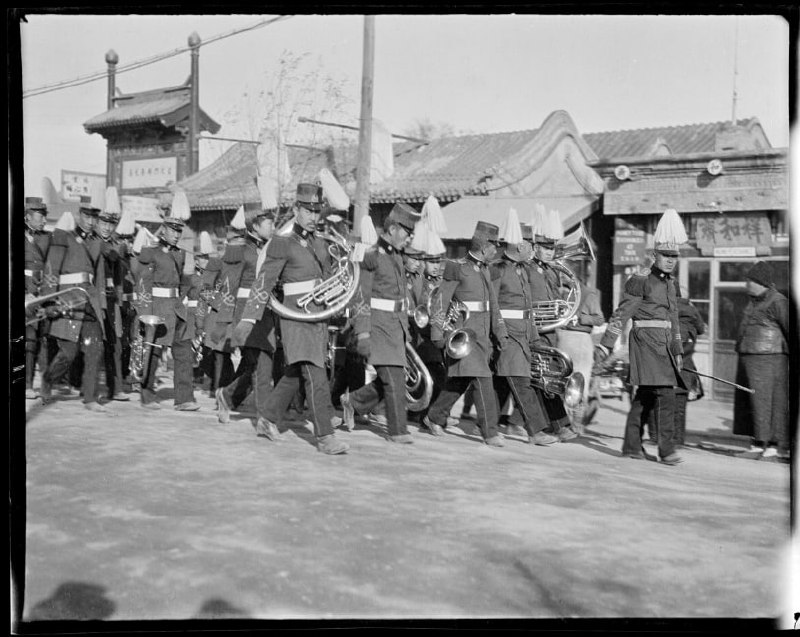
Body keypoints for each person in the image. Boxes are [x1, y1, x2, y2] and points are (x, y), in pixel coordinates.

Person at [235, 183, 349, 455]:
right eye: (308, 210)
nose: (313, 216)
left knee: (296, 374)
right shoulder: (281, 243)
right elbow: (263, 282)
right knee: (316, 376)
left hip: (317, 318)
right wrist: (248, 319)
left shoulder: (319, 243)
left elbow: (332, 276)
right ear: (296, 209)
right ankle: (325, 436)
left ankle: (268, 418)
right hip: (296, 318)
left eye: (316, 211)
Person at [594, 208, 687, 466]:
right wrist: (606, 345)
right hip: (645, 344)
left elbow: (674, 318)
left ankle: (632, 445)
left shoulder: (671, 283)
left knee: (645, 395)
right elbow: (621, 314)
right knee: (666, 395)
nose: (670, 260)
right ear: (654, 254)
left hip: (665, 346)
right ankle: (666, 450)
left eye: (674, 256)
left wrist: (678, 350)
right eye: (666, 255)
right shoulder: (640, 280)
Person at [338, 202, 423, 443]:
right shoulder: (371, 257)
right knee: (393, 377)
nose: (409, 238)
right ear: (394, 229)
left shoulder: (396, 257)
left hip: (395, 327)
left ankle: (352, 401)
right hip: (377, 326)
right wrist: (363, 333)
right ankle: (398, 431)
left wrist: (406, 331)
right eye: (407, 232)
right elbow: (361, 296)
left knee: (390, 378)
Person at [421, 221, 508, 447]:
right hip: (463, 333)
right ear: (483, 244)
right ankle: (490, 432)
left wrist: (501, 332)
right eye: (494, 246)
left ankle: (434, 416)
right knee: (482, 377)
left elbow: (493, 305)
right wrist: (437, 332)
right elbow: (441, 300)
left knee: (461, 379)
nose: (496, 250)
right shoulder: (456, 266)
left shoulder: (486, 270)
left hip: (482, 336)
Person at [130, 191, 199, 411]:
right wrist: (145, 312)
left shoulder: (180, 255)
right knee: (153, 350)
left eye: (179, 231)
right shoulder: (150, 253)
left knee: (184, 351)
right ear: (164, 230)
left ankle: (184, 398)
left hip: (176, 308)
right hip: (156, 308)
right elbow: (144, 284)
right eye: (173, 230)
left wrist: (183, 298)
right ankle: (147, 394)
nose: (177, 235)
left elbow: (183, 281)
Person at [40, 196, 110, 412]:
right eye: (87, 216)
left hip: (89, 302)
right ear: (80, 215)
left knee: (94, 349)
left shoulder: (97, 243)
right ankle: (48, 378)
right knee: (69, 353)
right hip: (67, 301)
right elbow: (52, 271)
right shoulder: (64, 237)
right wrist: (49, 302)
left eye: (94, 217)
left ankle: (90, 398)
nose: (91, 221)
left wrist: (102, 307)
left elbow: (98, 279)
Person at [490, 224, 558, 446]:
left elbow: (527, 308)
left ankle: (487, 425)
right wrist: (499, 333)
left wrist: (534, 337)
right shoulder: (498, 269)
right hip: (508, 334)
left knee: (501, 383)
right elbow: (493, 304)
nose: (533, 249)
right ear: (520, 245)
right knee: (521, 381)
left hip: (523, 335)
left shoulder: (521, 269)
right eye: (530, 244)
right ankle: (535, 430)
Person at [518, 209, 579, 441]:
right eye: (545, 247)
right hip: (534, 329)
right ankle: (556, 424)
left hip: (550, 331)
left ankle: (556, 424)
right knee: (542, 379)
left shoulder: (552, 271)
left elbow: (556, 299)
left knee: (547, 378)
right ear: (535, 248)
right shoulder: (526, 269)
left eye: (552, 248)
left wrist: (564, 310)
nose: (549, 252)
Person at [217, 201, 278, 430]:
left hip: (267, 313)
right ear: (254, 225)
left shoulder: (272, 248)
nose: (273, 226)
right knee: (262, 365)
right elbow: (228, 287)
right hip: (246, 314)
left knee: (256, 365)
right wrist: (225, 322)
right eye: (268, 222)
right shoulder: (240, 249)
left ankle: (227, 395)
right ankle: (264, 419)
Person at [733, 261, 790, 460]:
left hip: (770, 360)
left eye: (749, 280)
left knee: (771, 403)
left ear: (761, 282)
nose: (747, 284)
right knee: (752, 403)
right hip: (749, 358)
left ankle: (772, 447)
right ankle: (757, 444)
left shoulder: (778, 301)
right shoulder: (753, 302)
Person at [558, 258, 605, 431]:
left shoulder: (588, 293)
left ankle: (577, 424)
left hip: (580, 339)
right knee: (561, 383)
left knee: (580, 383)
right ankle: (563, 424)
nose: (561, 279)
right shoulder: (560, 292)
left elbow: (600, 319)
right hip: (561, 338)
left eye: (564, 275)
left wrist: (581, 318)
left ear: (573, 275)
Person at [95, 189, 132, 402]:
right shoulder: (93, 243)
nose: (107, 228)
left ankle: (115, 388)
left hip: (112, 301)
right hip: (94, 299)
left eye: (111, 224)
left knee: (116, 345)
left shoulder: (116, 246)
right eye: (104, 223)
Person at [24, 196, 52, 400]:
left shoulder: (47, 238)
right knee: (29, 341)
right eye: (40, 216)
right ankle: (26, 385)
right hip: (24, 295)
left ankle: (43, 383)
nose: (43, 220)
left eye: (44, 216)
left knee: (42, 339)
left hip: (42, 294)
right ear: (27, 217)